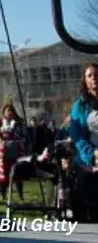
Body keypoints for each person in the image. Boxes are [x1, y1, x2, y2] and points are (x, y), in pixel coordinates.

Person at [68, 63, 98, 222]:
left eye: (96, 75)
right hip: (90, 158)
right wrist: (93, 154)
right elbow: (77, 136)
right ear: (85, 81)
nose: (94, 78)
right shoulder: (80, 106)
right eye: (90, 76)